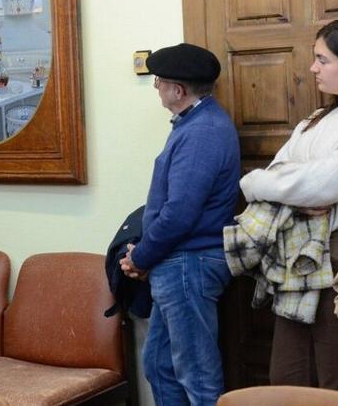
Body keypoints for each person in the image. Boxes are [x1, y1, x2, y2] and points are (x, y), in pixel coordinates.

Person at [238, 19, 338, 394]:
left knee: (335, 374)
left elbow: (318, 186)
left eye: (322, 59)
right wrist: (269, 186)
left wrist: (289, 187)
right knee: (288, 372)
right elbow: (283, 172)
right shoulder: (316, 119)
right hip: (298, 256)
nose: (312, 67)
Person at [119, 43, 241, 406]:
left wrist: (140, 257)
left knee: (199, 379)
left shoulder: (203, 132)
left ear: (179, 90)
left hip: (190, 264)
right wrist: (146, 256)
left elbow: (179, 214)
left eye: (160, 81)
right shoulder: (196, 124)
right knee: (159, 365)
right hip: (178, 262)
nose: (156, 86)